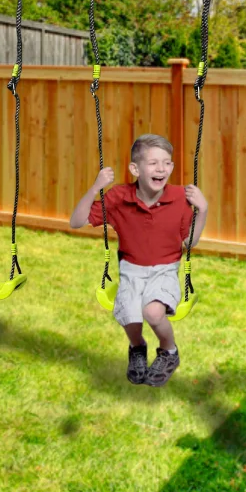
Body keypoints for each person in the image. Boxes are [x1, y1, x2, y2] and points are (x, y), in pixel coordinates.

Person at [70, 133, 208, 387]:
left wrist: (203, 210)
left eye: (167, 163)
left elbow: (189, 242)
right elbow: (76, 221)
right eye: (154, 163)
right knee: (129, 315)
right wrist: (95, 188)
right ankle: (138, 347)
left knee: (152, 313)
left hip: (165, 270)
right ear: (135, 169)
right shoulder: (118, 197)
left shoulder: (180, 198)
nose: (161, 169)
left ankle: (169, 352)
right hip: (130, 271)